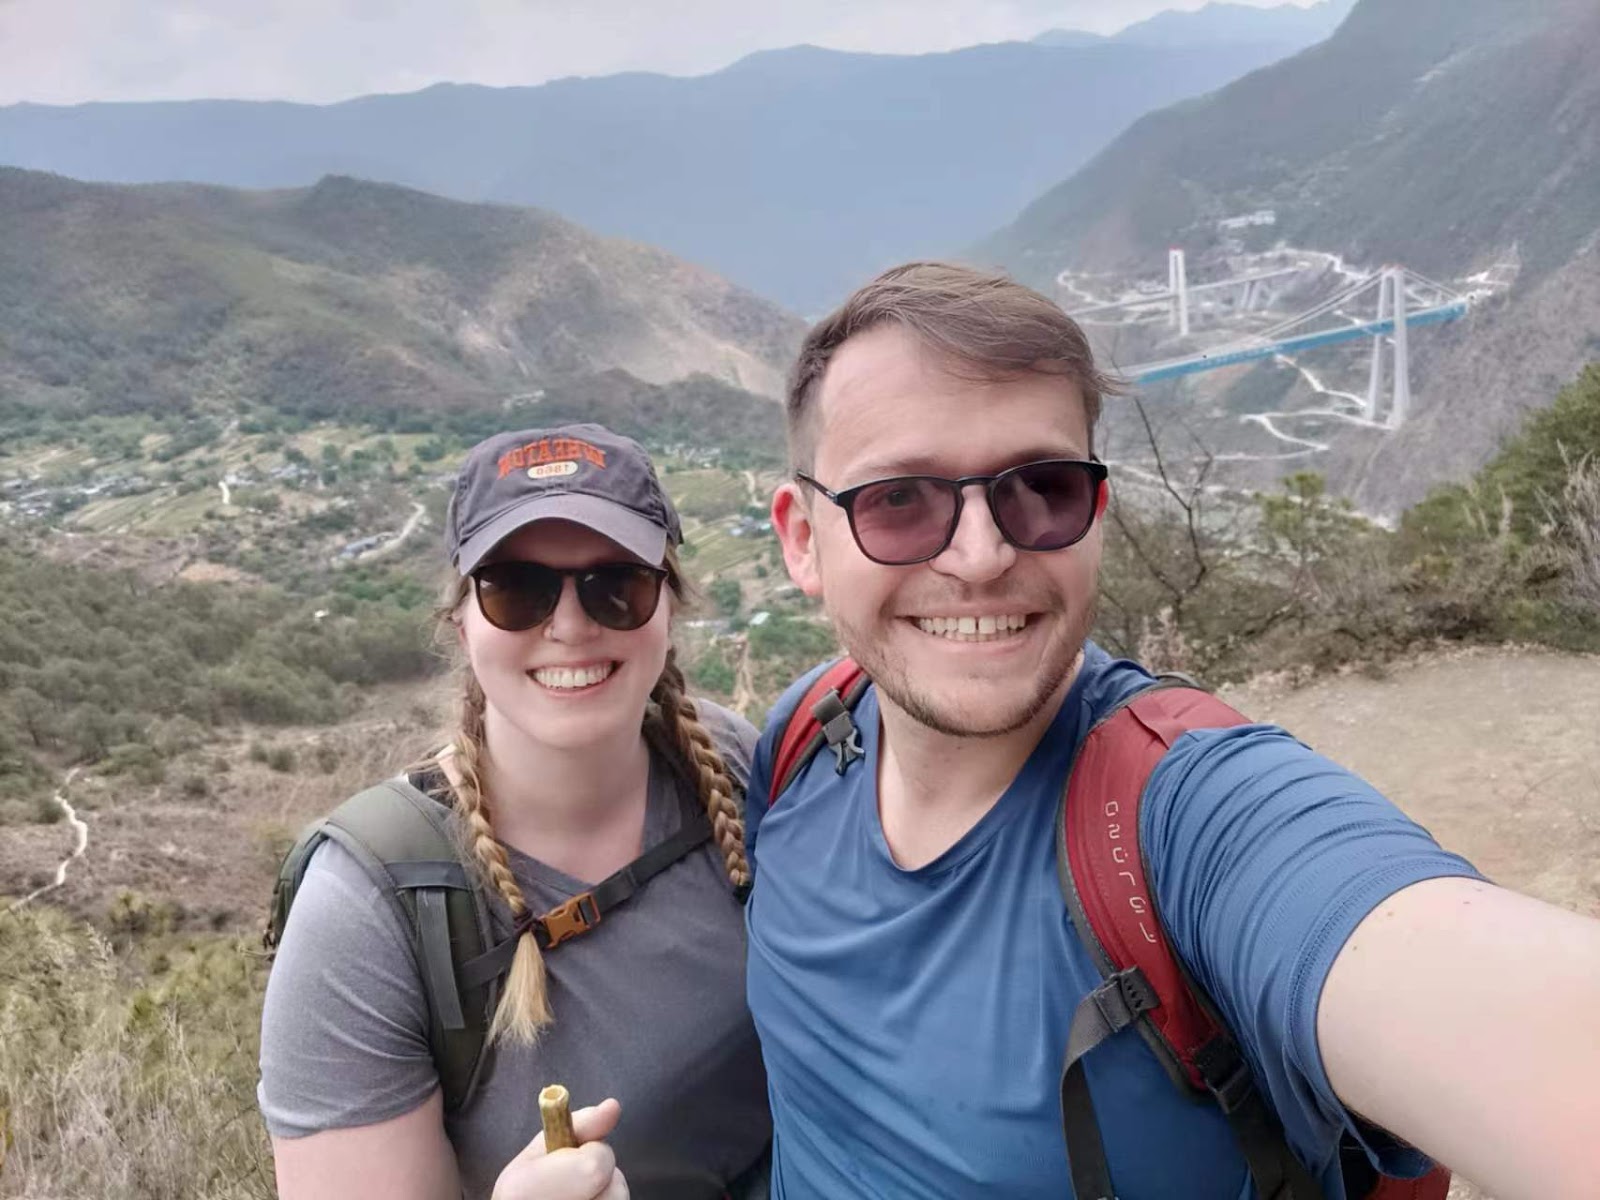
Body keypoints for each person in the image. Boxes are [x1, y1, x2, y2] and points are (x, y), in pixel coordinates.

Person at [747, 262, 1600, 1199]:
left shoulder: (1184, 821)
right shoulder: (802, 744)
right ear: (801, 539)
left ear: (1096, 510)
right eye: (898, 501)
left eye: (1043, 489)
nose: (983, 555)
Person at [259, 423, 771, 1200]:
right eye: (516, 589)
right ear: (462, 622)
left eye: (617, 586)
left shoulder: (732, 766)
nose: (568, 625)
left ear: (670, 609)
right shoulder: (369, 914)